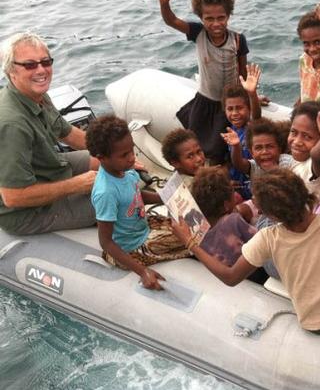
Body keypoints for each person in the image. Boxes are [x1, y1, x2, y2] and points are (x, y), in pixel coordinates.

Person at [169, 168, 320, 335]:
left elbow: (231, 277)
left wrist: (191, 243)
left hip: (313, 324)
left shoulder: (268, 238)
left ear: (271, 216)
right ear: (303, 192)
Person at [0, 32, 98, 235]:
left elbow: (68, 133)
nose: (41, 70)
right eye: (30, 65)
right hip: (25, 214)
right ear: (10, 71)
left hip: (46, 170)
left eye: (45, 62)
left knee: (102, 161)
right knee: (117, 199)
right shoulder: (12, 124)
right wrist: (76, 185)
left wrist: (114, 154)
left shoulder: (37, 95)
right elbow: (13, 197)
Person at [87, 116, 191, 290]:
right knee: (190, 238)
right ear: (102, 158)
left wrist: (165, 197)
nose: (131, 158)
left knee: (188, 223)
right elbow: (106, 242)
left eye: (132, 150)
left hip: (143, 226)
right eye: (124, 155)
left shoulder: (125, 170)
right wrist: (143, 272)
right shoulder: (106, 192)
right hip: (132, 248)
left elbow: (136, 194)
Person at [158, 0, 248, 164]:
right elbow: (171, 20)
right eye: (209, 18)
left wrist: (249, 97)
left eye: (221, 17)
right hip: (205, 100)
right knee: (195, 140)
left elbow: (243, 74)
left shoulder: (238, 40)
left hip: (227, 103)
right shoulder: (198, 33)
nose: (216, 23)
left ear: (229, 15)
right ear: (200, 17)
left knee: (218, 148)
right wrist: (164, 3)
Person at [189, 166, 267, 284]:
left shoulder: (197, 226)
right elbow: (261, 241)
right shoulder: (233, 220)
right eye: (232, 193)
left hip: (220, 273)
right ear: (226, 205)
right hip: (250, 273)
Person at [223, 63, 263, 199]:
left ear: (248, 108)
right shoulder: (231, 130)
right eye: (230, 109)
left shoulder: (251, 127)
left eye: (239, 108)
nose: (234, 113)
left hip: (253, 185)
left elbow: (257, 116)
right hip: (237, 184)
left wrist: (252, 94)